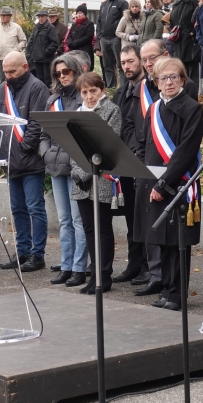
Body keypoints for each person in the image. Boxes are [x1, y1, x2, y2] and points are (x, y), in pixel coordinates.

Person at [133, 56, 203, 310]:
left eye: (174, 76)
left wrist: (163, 185)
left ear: (183, 80)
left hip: (178, 185)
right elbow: (143, 144)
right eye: (164, 77)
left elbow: (185, 151)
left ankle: (177, 295)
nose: (169, 82)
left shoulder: (192, 108)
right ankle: (166, 289)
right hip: (153, 184)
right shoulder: (153, 109)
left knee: (177, 242)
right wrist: (147, 178)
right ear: (156, 82)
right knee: (161, 241)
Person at [0, 51, 49, 272]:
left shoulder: (37, 87)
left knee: (35, 207)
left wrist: (25, 148)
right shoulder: (3, 89)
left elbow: (37, 122)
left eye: (12, 71)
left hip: (30, 159)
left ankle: (38, 254)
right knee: (17, 209)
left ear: (25, 67)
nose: (8, 76)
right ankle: (22, 251)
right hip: (10, 159)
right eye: (5, 72)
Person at [69, 72, 121, 293]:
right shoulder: (77, 113)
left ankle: (104, 275)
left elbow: (107, 147)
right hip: (80, 179)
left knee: (103, 229)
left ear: (102, 91)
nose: (89, 96)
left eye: (93, 91)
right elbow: (71, 146)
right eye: (84, 92)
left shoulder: (112, 111)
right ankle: (94, 273)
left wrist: (85, 171)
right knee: (89, 228)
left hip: (101, 178)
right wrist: (76, 170)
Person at [44, 55, 88, 286]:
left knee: (78, 219)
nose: (62, 76)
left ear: (75, 71)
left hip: (76, 168)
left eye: (66, 72)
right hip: (55, 166)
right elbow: (43, 133)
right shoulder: (52, 100)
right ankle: (66, 265)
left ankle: (80, 268)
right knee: (63, 220)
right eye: (58, 73)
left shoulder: (83, 98)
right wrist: (45, 153)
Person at [111, 45, 148, 285]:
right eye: (124, 62)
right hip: (123, 161)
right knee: (131, 218)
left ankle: (148, 267)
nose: (127, 66)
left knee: (143, 218)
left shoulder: (148, 90)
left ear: (141, 62)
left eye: (131, 61)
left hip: (142, 159)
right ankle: (134, 265)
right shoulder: (120, 92)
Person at [96, 0, 129, 88]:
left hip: (116, 38)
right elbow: (99, 21)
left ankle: (123, 87)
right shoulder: (104, 4)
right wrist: (99, 36)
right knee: (107, 65)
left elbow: (124, 21)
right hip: (104, 39)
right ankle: (111, 87)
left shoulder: (122, 3)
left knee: (121, 65)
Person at [169, 0, 200, 83]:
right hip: (178, 40)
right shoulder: (176, 4)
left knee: (192, 69)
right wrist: (172, 30)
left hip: (190, 40)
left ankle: (193, 94)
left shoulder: (193, 2)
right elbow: (172, 20)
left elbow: (198, 20)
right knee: (180, 68)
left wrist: (193, 32)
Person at [0, 7, 28, 83]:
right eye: (1, 15)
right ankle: (4, 94)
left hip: (13, 59)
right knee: (2, 80)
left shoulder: (16, 27)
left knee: (13, 78)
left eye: (4, 15)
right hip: (0, 58)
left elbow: (23, 40)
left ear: (9, 17)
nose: (2, 17)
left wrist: (16, 51)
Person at [26, 9, 58, 87]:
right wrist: (29, 54)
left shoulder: (50, 28)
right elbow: (31, 42)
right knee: (39, 79)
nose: (40, 18)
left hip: (46, 60)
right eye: (39, 17)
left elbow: (54, 43)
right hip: (37, 59)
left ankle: (48, 96)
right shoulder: (36, 28)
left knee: (47, 79)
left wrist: (45, 52)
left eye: (42, 17)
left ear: (46, 17)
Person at [67, 4, 95, 71]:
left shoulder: (89, 24)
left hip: (85, 51)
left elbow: (88, 37)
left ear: (84, 14)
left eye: (80, 13)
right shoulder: (74, 25)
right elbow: (69, 36)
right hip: (74, 52)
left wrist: (76, 43)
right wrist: (70, 43)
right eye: (77, 13)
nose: (78, 15)